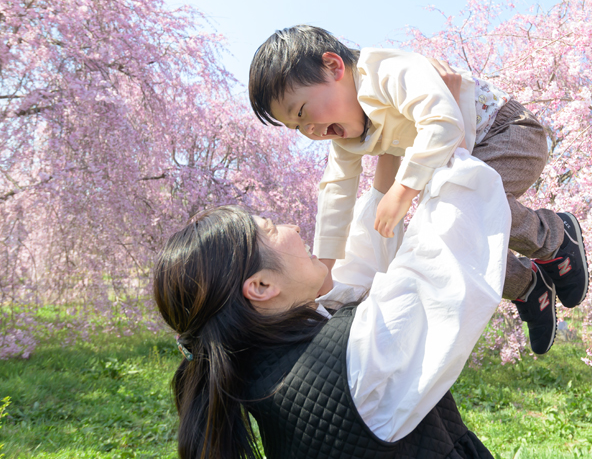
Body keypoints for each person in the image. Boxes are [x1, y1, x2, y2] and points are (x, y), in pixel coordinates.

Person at [248, 25, 589, 354]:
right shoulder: (347, 138)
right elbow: (335, 191)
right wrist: (324, 266)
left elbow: (442, 122)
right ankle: (528, 288)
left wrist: (403, 189)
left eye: (303, 112)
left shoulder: (385, 72)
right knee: (443, 238)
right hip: (461, 159)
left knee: (460, 210)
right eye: (297, 127)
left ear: (334, 67)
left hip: (506, 133)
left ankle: (556, 237)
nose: (309, 130)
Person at [153, 149, 508, 459]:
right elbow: (443, 267)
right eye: (272, 229)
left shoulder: (267, 366)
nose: (291, 226)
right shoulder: (349, 363)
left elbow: (354, 272)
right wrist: (448, 142)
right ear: (261, 286)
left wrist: (387, 166)